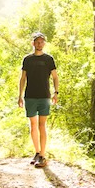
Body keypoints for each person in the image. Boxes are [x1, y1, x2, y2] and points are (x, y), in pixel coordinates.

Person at [17, 31, 59, 167]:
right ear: (33, 43)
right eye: (37, 42)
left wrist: (56, 92)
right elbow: (22, 78)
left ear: (44, 43)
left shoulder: (49, 59)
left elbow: (55, 77)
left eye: (41, 42)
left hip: (44, 96)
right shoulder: (27, 59)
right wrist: (19, 96)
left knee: (42, 125)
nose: (39, 44)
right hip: (30, 96)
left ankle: (42, 155)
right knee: (33, 125)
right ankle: (37, 152)